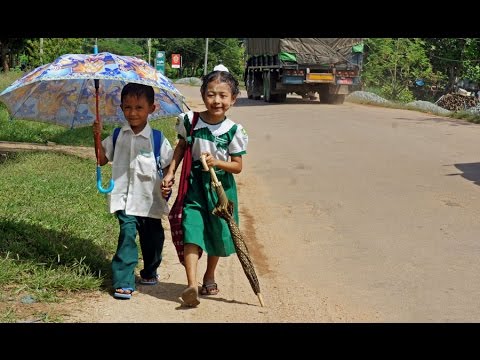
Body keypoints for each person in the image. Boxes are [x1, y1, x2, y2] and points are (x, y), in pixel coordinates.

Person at [162, 71, 248, 307]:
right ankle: (191, 284)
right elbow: (180, 148)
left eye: (223, 95)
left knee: (217, 232)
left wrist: (217, 163)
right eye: (211, 94)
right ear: (203, 95)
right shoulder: (190, 121)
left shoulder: (233, 131)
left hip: (221, 189)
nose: (216, 100)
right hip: (194, 186)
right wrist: (170, 172)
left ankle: (209, 275)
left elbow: (237, 166)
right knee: (192, 228)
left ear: (233, 100)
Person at [93, 82, 174, 300]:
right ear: (121, 108)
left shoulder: (157, 138)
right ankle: (123, 281)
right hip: (125, 199)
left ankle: (149, 270)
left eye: (139, 107)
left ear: (152, 109)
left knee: (153, 240)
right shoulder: (118, 135)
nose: (133, 112)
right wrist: (96, 137)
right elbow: (101, 160)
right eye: (127, 107)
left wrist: (168, 177)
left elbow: (168, 163)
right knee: (127, 235)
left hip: (150, 200)